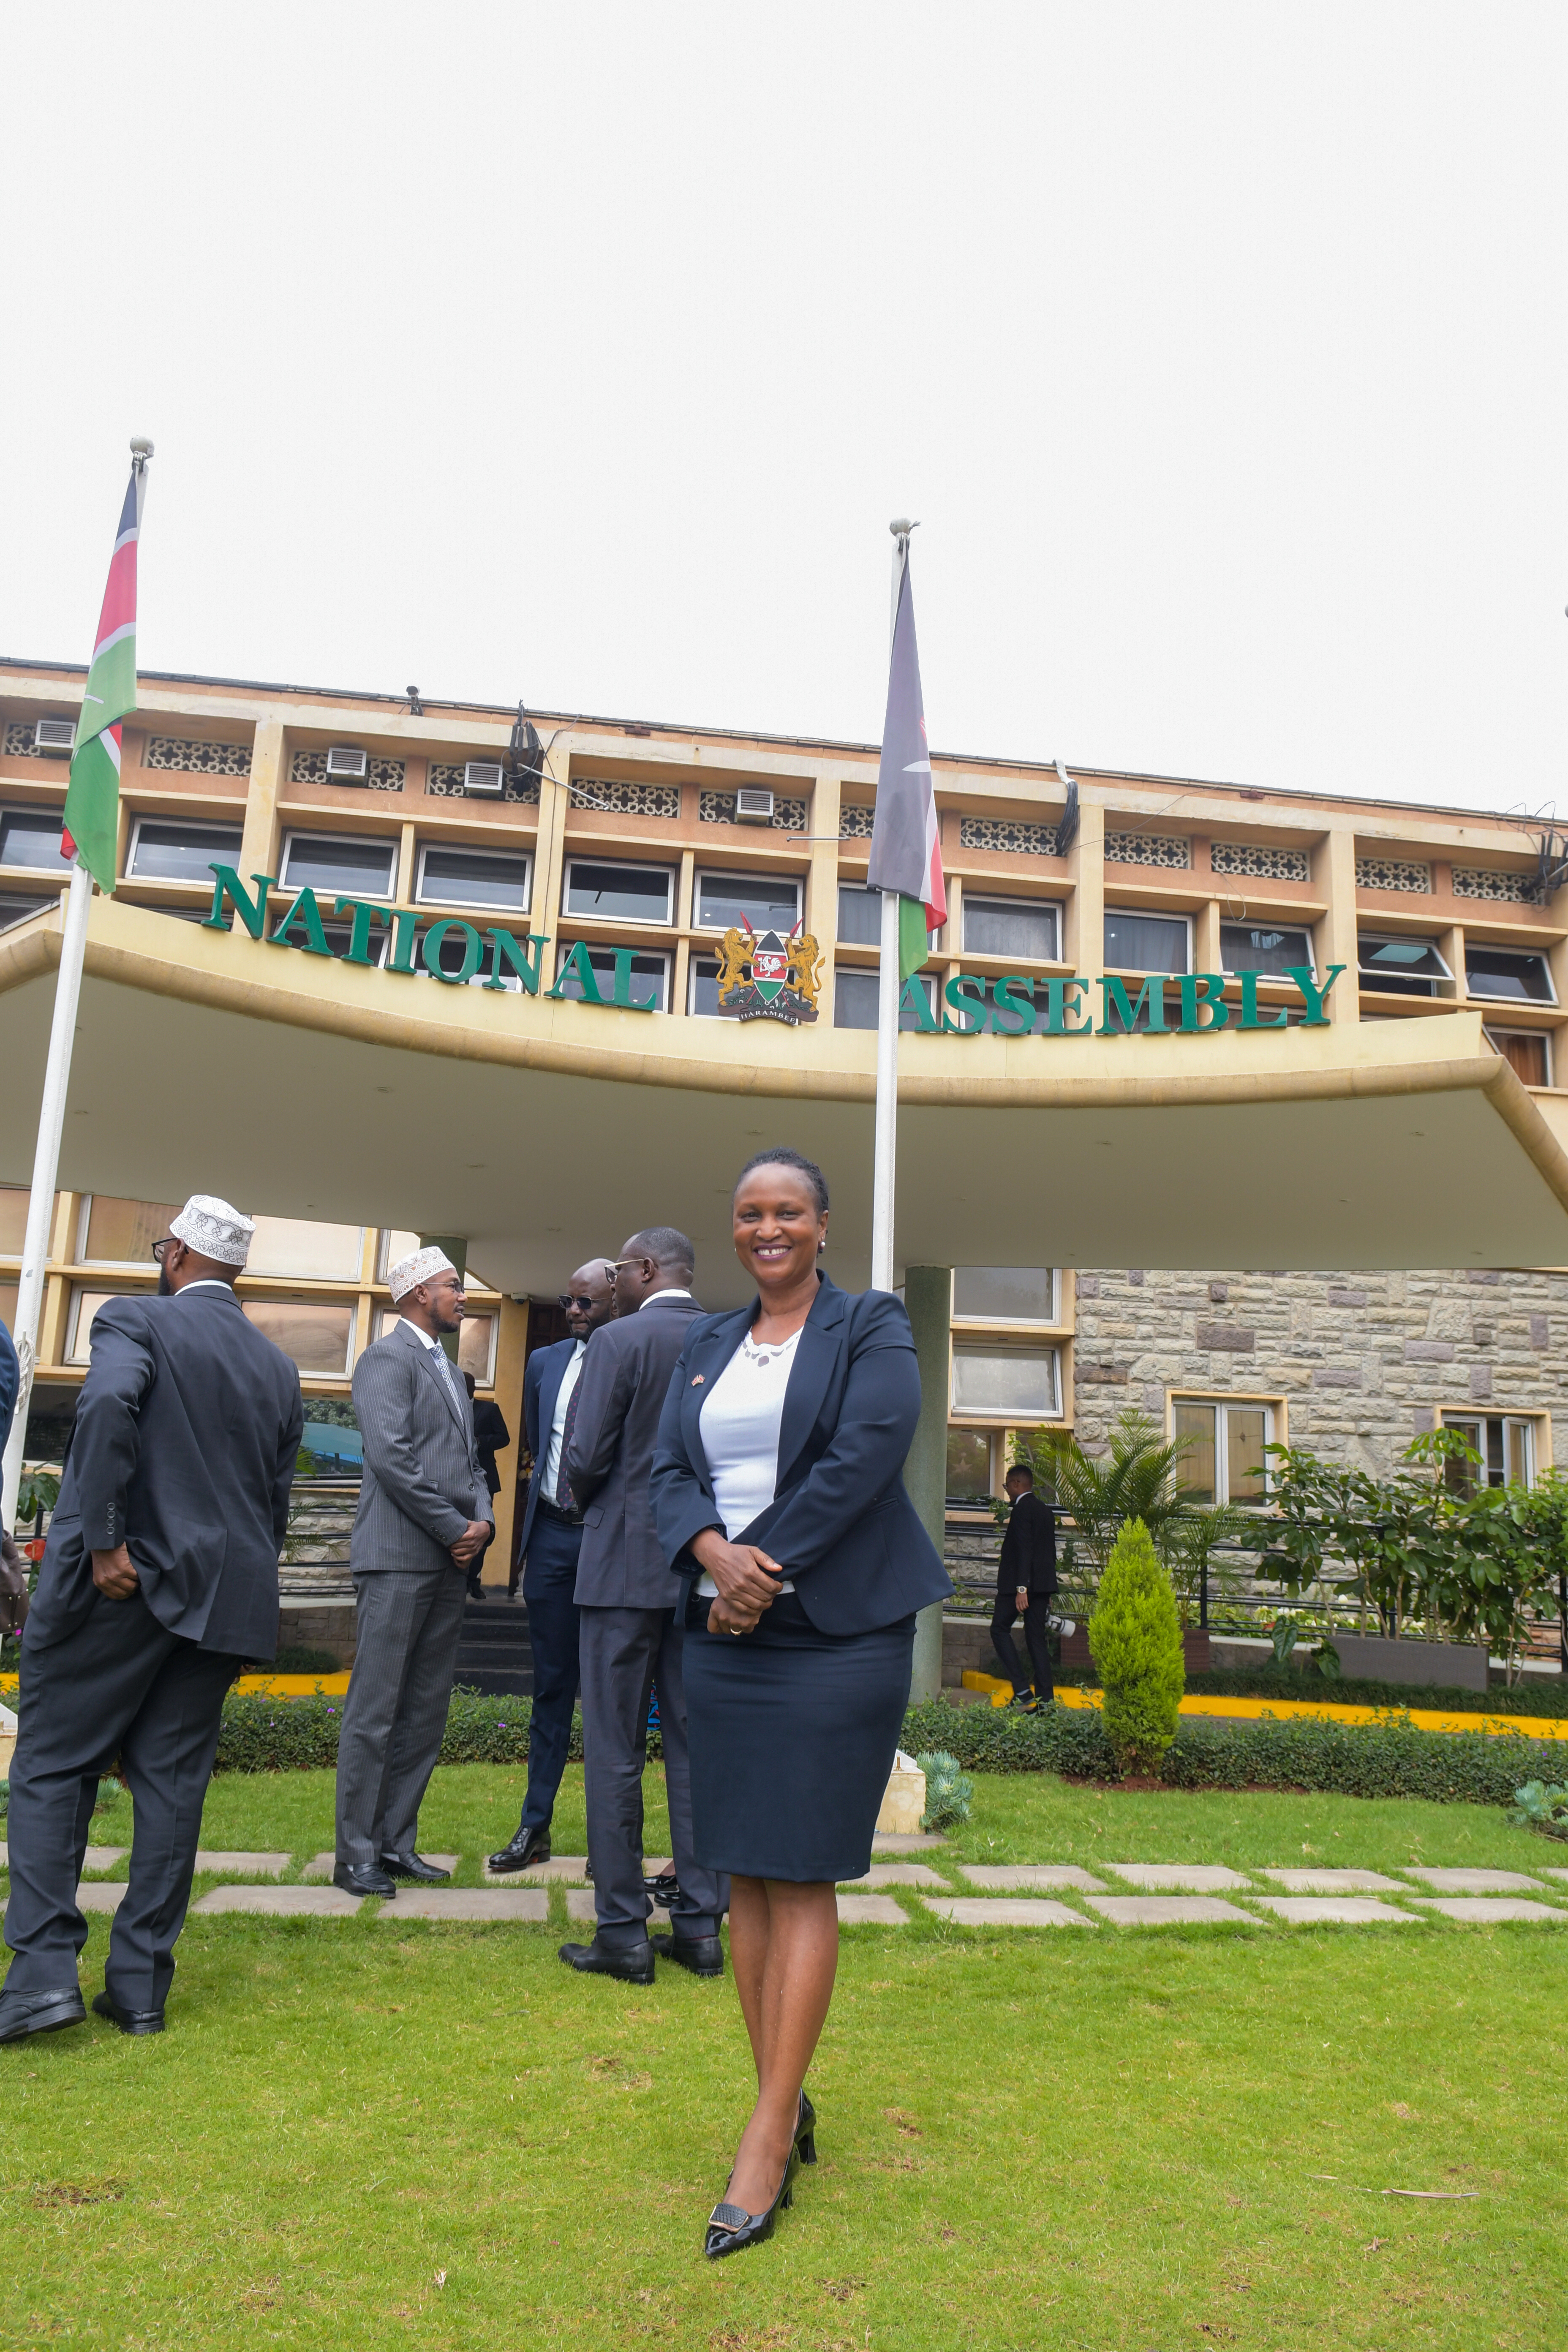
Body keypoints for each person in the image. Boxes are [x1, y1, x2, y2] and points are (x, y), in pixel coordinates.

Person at [650, 1149, 952, 2257]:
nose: (766, 1229)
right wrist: (711, 1555)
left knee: (801, 1872)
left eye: (786, 1211)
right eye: (748, 1214)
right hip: (725, 1636)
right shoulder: (705, 1343)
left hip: (836, 1634)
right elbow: (665, 1472)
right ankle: (783, 2095)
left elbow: (862, 1460)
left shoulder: (870, 1325)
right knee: (743, 1874)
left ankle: (766, 2137)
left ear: (822, 1224)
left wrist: (754, 1571)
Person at [0, 1196, 302, 2042]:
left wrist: (103, 1540)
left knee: (53, 1764)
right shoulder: (277, 1367)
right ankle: (138, 1989)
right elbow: (273, 1502)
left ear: (175, 1256)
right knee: (171, 1787)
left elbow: (105, 1409)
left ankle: (42, 1975)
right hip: (225, 1597)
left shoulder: (133, 1319)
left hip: (123, 1581)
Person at [558, 1226, 724, 1983]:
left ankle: (623, 1931)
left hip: (620, 1567)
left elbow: (585, 1454)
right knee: (696, 1752)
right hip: (701, 1570)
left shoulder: (617, 1341)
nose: (612, 1279)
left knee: (614, 1749)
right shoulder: (727, 1338)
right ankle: (700, 1926)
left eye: (620, 1268)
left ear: (648, 1269)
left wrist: (582, 1501)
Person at [333, 1247, 492, 1898]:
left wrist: (483, 1521)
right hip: (398, 1559)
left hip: (449, 1563)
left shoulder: (451, 1372)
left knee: (425, 1710)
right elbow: (391, 1457)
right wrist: (456, 1528)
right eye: (454, 1286)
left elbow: (472, 1463)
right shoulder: (385, 1359)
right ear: (421, 1292)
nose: (464, 1297)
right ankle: (356, 1855)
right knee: (375, 1711)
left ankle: (396, 1844)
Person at [487, 1262, 616, 1875]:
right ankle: (534, 1827)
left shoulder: (635, 1359)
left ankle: (608, 1844)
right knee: (551, 1690)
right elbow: (541, 1447)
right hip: (552, 1542)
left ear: (617, 1301)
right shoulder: (543, 1363)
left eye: (586, 1302)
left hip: (609, 1543)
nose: (574, 1312)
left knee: (612, 1695)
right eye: (568, 1301)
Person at [991, 1462, 1058, 1709]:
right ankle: (1046, 1703)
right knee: (1036, 1640)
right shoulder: (1045, 1511)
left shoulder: (1021, 1510)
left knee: (999, 1629)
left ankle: (1022, 1690)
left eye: (1007, 1486)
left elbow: (1024, 1550)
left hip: (1018, 1588)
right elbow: (1049, 1552)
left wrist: (1022, 1588)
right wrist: (1046, 1590)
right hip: (1041, 1586)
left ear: (1017, 1484)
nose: (1007, 1491)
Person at [460, 1370, 512, 1600]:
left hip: (484, 1480)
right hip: (456, 1479)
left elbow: (504, 1438)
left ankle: (474, 1580)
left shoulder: (489, 1410)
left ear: (474, 1389)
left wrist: (481, 1442)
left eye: (467, 1386)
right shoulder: (448, 1406)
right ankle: (458, 1580)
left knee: (483, 1529)